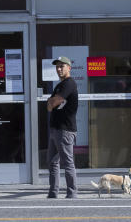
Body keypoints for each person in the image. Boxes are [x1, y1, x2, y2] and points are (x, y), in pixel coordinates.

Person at [46, 56, 79, 199]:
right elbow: (49, 105)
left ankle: (72, 193)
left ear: (69, 68)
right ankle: (53, 193)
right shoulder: (59, 86)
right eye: (57, 67)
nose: (59, 69)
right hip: (55, 129)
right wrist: (51, 102)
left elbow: (54, 102)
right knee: (52, 162)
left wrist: (52, 102)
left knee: (67, 163)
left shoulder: (69, 83)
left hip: (65, 130)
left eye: (62, 66)